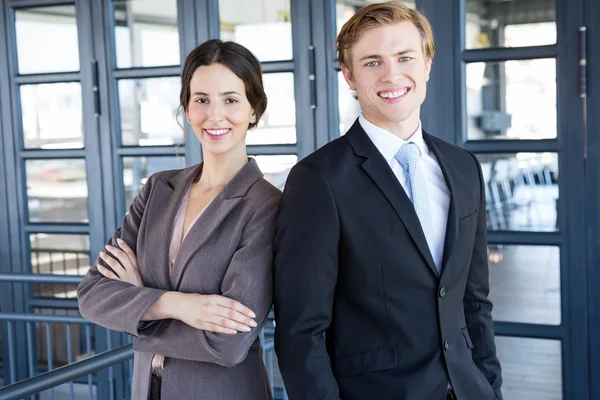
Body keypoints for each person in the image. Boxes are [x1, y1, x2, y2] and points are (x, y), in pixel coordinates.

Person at [273, 2, 502, 400]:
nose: (392, 74)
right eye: (373, 62)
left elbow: (474, 300)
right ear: (349, 75)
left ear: (427, 63)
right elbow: (300, 332)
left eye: (405, 57)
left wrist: (490, 386)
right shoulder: (318, 180)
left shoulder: (464, 167)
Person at [77, 39, 280, 400]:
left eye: (230, 100)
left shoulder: (266, 205)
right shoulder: (158, 189)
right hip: (146, 391)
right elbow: (92, 294)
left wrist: (140, 304)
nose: (214, 115)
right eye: (201, 100)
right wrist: (177, 304)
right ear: (186, 109)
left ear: (254, 110)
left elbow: (228, 343)